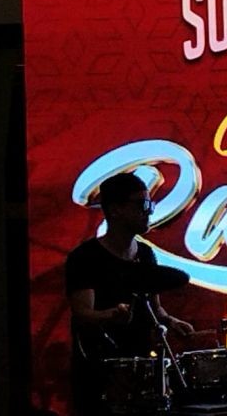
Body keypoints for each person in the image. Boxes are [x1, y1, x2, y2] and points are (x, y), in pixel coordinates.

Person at [65, 172, 194, 415]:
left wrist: (170, 321)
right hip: (100, 371)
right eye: (142, 205)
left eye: (150, 205)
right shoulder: (86, 257)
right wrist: (111, 315)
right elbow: (82, 313)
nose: (149, 211)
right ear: (116, 210)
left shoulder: (145, 254)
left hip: (141, 366)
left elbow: (155, 307)